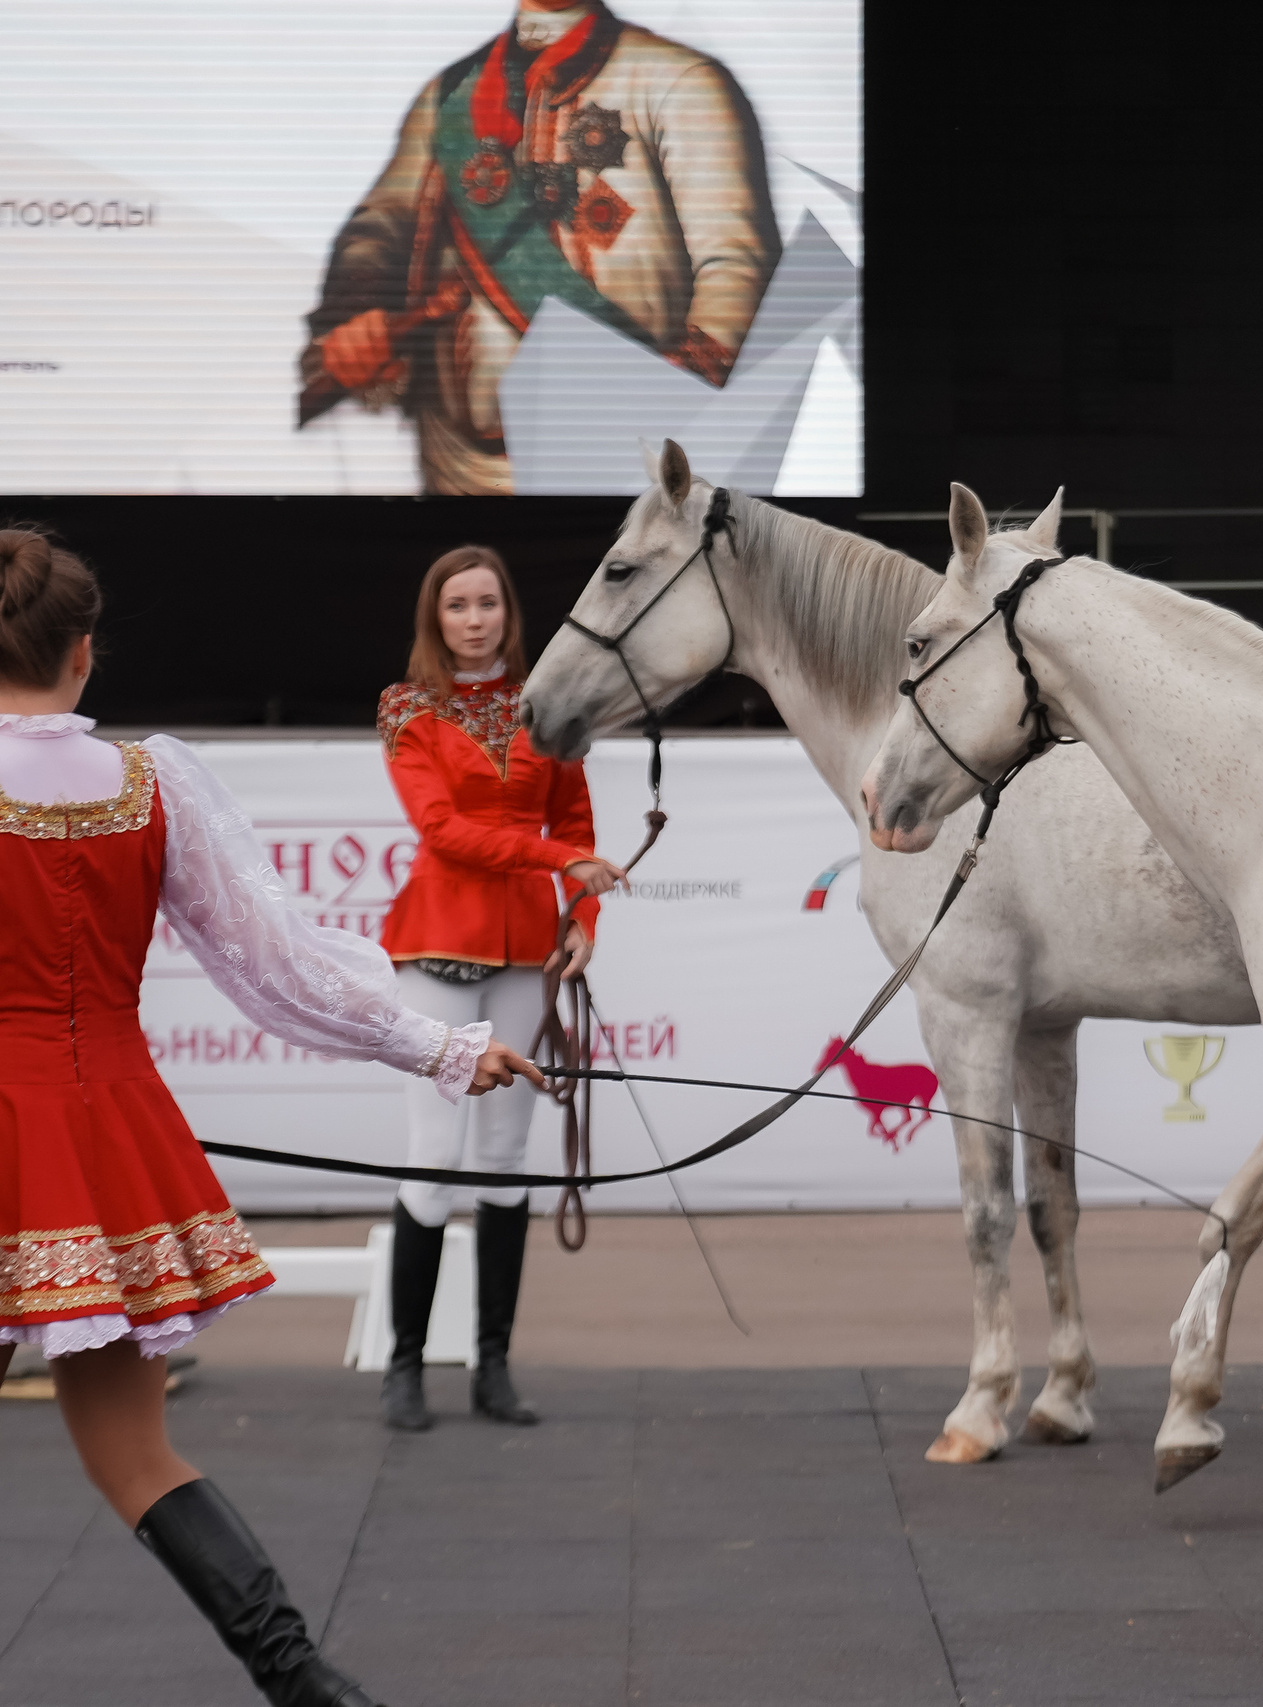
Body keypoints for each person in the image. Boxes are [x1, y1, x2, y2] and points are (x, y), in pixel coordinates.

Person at [0, 528, 544, 1707]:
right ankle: (302, 1681)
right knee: (136, 1457)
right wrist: (445, 1048)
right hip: (109, 1137)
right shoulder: (149, 784)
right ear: (84, 655)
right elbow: (285, 972)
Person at [301, 1, 780, 494]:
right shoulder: (447, 96)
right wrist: (355, 317)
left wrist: (673, 406)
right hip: (455, 465)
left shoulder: (683, 82)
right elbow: (381, 225)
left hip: (618, 464)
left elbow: (736, 265)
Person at [376, 546, 619, 1433]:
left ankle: (494, 1368)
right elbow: (443, 831)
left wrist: (584, 917)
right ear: (434, 618)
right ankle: (405, 1367)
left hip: (527, 951)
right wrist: (562, 859)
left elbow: (579, 817)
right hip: (437, 943)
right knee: (433, 1158)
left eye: (488, 603)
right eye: (457, 606)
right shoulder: (407, 709)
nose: (475, 618)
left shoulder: (548, 705)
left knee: (507, 1159)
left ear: (509, 612)